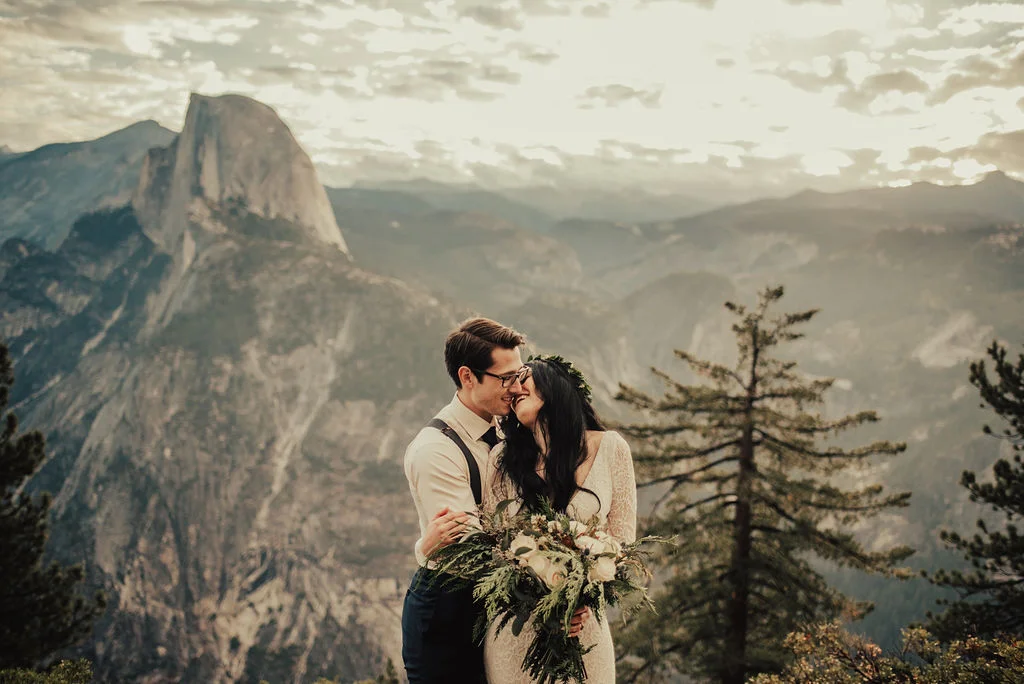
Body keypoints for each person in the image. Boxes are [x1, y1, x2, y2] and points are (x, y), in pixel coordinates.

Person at [483, 355, 637, 684]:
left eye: (525, 376)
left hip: (583, 629)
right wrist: (532, 595)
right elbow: (493, 549)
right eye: (510, 384)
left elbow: (622, 545)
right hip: (517, 633)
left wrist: (581, 596)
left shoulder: (610, 448)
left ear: (556, 385)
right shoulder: (501, 461)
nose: (516, 388)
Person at [401, 317, 529, 684]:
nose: (516, 387)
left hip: (496, 606)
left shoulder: (509, 422)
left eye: (519, 374)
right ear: (467, 376)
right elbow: (472, 550)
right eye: (505, 378)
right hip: (448, 613)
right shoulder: (435, 451)